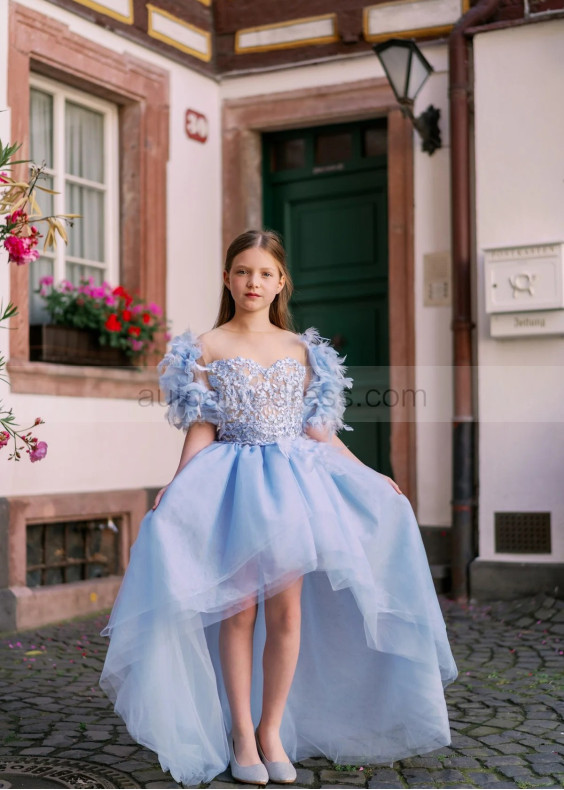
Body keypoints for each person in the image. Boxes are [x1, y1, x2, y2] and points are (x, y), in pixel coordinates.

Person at [99, 229, 458, 788]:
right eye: (243, 271)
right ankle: (242, 733)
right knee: (240, 613)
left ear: (281, 282)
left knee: (286, 614)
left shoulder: (301, 350)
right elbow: (202, 427)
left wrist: (369, 475)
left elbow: (318, 429)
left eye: (265, 273)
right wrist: (178, 484)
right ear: (227, 277)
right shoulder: (207, 347)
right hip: (234, 485)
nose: (253, 282)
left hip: (294, 489)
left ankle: (272, 730)